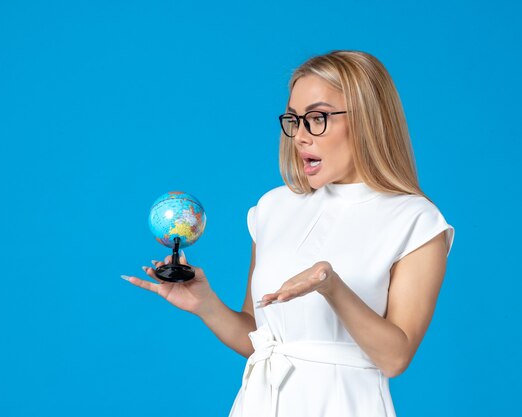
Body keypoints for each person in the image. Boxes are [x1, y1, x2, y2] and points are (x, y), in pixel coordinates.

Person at [121, 50, 455, 417]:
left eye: (317, 118)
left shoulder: (415, 220)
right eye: (294, 120)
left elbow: (395, 357)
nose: (299, 136)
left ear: (367, 120)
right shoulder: (273, 208)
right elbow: (259, 341)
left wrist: (331, 286)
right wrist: (206, 306)